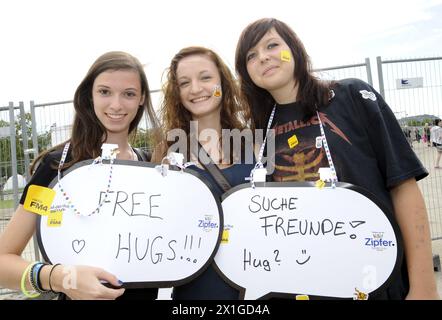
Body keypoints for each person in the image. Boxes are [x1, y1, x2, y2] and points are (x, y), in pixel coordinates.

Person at [235, 18, 439, 300]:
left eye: (272, 45)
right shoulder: (257, 131)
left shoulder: (351, 97)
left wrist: (424, 287)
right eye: (251, 56)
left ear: (293, 48)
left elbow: (403, 187)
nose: (263, 58)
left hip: (375, 280)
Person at [0, 51, 160, 300]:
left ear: (141, 99)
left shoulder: (152, 167)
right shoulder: (57, 168)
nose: (116, 105)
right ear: (89, 96)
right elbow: (3, 262)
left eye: (128, 94)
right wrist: (61, 279)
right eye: (105, 92)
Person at [153, 46, 253, 299]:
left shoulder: (255, 141)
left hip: (255, 283)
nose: (196, 89)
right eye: (184, 83)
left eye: (205, 77)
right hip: (196, 290)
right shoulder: (165, 152)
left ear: (222, 82)